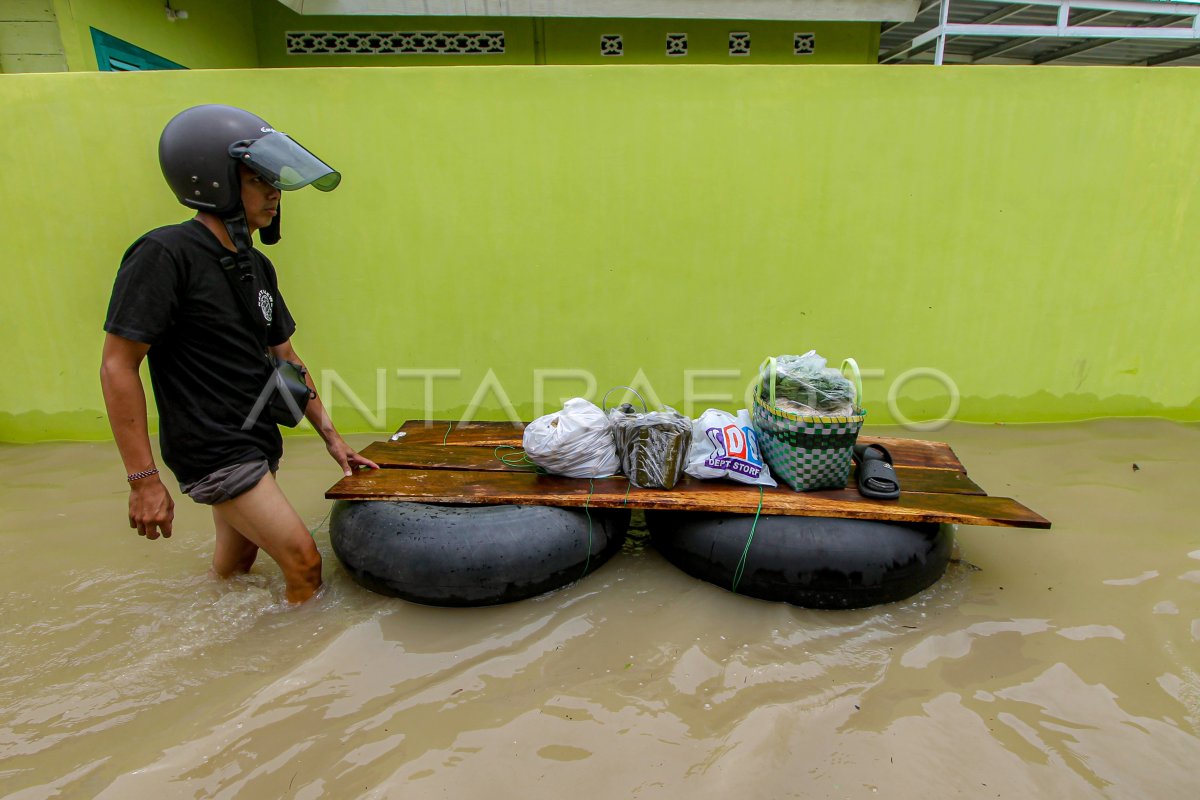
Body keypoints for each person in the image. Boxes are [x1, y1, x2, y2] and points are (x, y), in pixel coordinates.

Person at [100, 104, 377, 604]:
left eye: (274, 181)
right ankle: (295, 673)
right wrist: (143, 480)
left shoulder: (256, 266)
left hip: (255, 438)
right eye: (257, 180)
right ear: (213, 182)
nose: (273, 193)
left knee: (236, 569)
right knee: (305, 566)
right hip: (213, 448)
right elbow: (119, 364)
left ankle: (213, 649)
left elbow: (287, 359)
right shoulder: (165, 255)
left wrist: (334, 441)